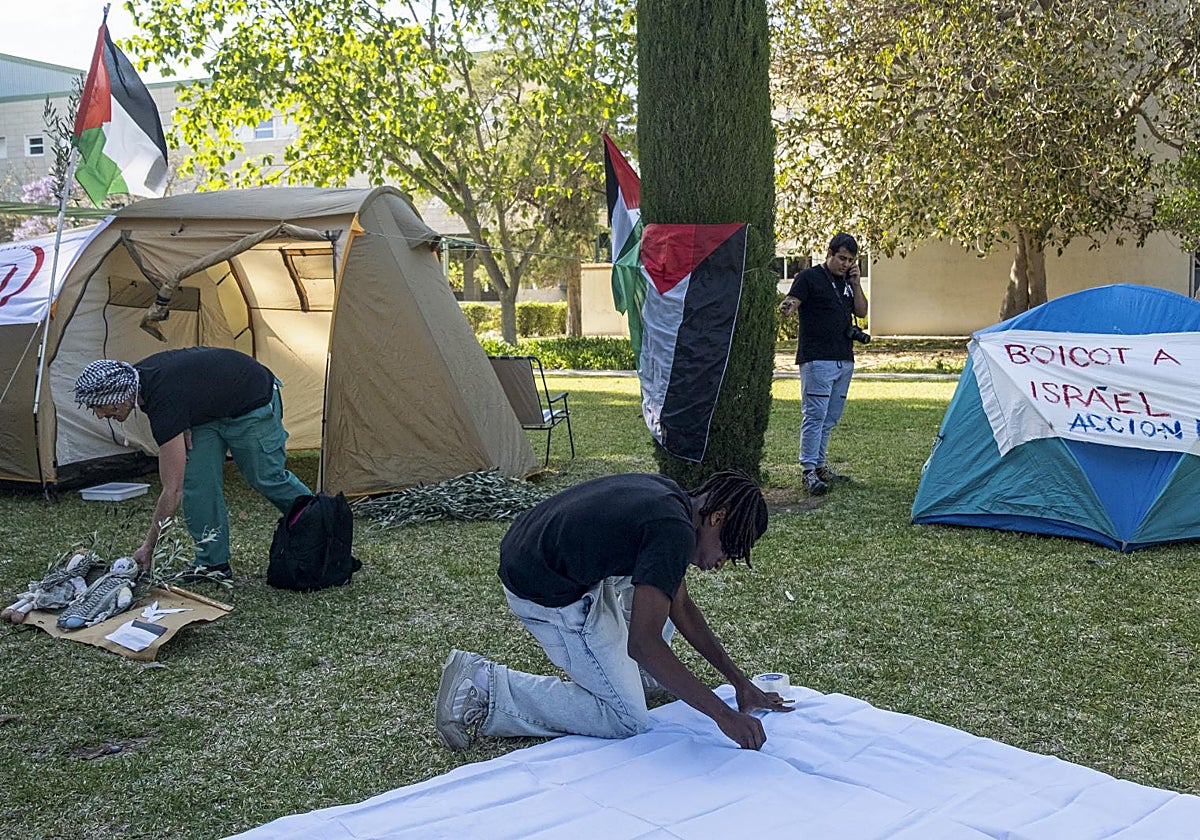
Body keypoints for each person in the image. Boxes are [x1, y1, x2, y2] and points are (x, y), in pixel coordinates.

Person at [435, 469, 793, 752]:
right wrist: (723, 715)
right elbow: (643, 643)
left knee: (661, 597)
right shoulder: (673, 532)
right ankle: (484, 686)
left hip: (538, 553)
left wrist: (739, 682)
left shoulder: (673, 503)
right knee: (626, 719)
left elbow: (680, 606)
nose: (721, 562)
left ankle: (636, 676)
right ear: (717, 517)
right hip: (543, 587)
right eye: (729, 549)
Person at [73, 347, 311, 580]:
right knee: (197, 482)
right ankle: (212, 562)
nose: (100, 415)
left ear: (118, 398)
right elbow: (188, 389)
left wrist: (148, 547)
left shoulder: (162, 399)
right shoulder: (135, 381)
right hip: (209, 415)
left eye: (99, 406)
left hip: (251, 401)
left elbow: (171, 490)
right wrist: (184, 419)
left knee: (265, 476)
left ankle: (319, 524)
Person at [778, 232, 868, 496]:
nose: (844, 263)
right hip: (817, 359)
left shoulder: (847, 283)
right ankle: (807, 469)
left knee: (830, 417)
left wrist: (857, 282)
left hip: (844, 358)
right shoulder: (809, 278)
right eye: (841, 258)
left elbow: (861, 312)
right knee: (814, 415)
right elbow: (793, 300)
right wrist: (787, 306)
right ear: (830, 253)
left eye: (850, 260)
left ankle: (820, 464)